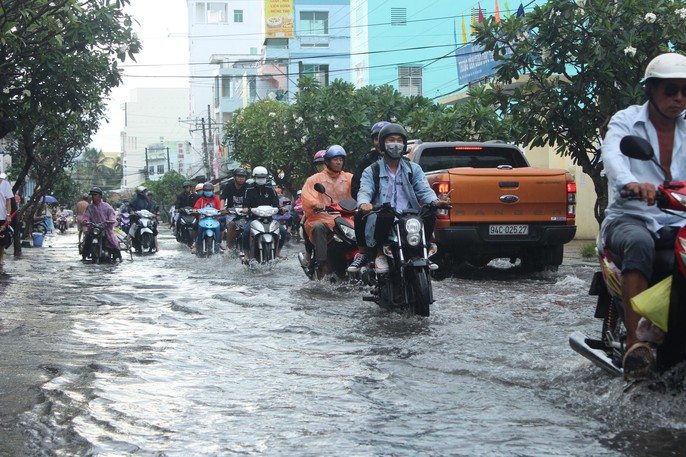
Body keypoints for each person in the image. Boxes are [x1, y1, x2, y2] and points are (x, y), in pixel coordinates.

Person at [599, 52, 686, 380]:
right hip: (631, 217)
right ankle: (638, 345)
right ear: (651, 89)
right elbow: (613, 156)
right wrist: (632, 183)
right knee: (639, 244)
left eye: (685, 91)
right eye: (670, 90)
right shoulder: (626, 121)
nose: (679, 98)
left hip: (678, 220)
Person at [356, 123, 449, 273]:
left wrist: (436, 201)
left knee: (429, 212)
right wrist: (364, 203)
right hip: (385, 214)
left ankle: (424, 250)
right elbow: (365, 190)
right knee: (385, 214)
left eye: (399, 140)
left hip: (409, 215)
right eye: (391, 140)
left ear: (404, 144)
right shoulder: (371, 170)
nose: (396, 144)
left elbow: (424, 190)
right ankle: (380, 253)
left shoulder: (414, 169)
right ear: (382, 145)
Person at [301, 145, 353, 277]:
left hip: (345, 217)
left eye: (341, 159)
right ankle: (323, 264)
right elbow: (307, 196)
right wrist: (316, 204)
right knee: (318, 227)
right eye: (335, 159)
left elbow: (359, 191)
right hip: (322, 217)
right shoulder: (314, 179)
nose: (338, 162)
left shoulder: (349, 178)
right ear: (327, 162)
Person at [348, 121, 389, 271]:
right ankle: (364, 253)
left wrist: (435, 199)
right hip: (376, 208)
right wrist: (365, 203)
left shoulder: (408, 164)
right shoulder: (367, 163)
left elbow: (420, 187)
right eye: (377, 138)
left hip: (400, 208)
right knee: (360, 216)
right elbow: (358, 188)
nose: (382, 143)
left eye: (386, 138)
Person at [242, 166, 287, 261]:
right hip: (254, 218)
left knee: (282, 231)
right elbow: (245, 206)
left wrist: (281, 209)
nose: (261, 179)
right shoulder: (248, 190)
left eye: (263, 177)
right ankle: (246, 255)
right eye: (259, 177)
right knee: (246, 232)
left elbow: (276, 204)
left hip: (269, 219)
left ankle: (278, 252)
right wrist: (245, 209)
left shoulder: (271, 189)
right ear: (254, 177)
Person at [81, 187, 121, 261]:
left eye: (95, 195)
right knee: (87, 239)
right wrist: (85, 221)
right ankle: (84, 255)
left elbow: (112, 216)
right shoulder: (89, 207)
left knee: (113, 241)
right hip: (94, 228)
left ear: (100, 196)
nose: (93, 197)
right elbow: (86, 216)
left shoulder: (107, 207)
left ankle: (118, 256)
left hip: (106, 228)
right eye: (92, 195)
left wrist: (111, 221)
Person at [192, 182, 224, 254]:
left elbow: (219, 208)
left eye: (210, 190)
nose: (208, 192)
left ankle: (219, 242)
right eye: (206, 190)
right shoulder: (200, 200)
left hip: (214, 219)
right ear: (204, 191)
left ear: (212, 191)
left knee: (222, 228)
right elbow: (195, 208)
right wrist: (195, 210)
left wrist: (222, 211)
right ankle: (195, 242)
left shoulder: (216, 199)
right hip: (203, 219)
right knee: (194, 226)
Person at [221, 168, 249, 250]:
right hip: (231, 213)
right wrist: (222, 208)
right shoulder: (228, 186)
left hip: (245, 213)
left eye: (243, 176)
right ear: (234, 177)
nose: (241, 178)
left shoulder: (248, 187)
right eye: (239, 176)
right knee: (232, 224)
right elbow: (223, 198)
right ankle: (229, 248)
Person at [0, 172, 13, 270]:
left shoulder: (6, 184)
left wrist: (8, 215)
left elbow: (8, 201)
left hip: (2, 217)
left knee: (2, 240)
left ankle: (1, 257)